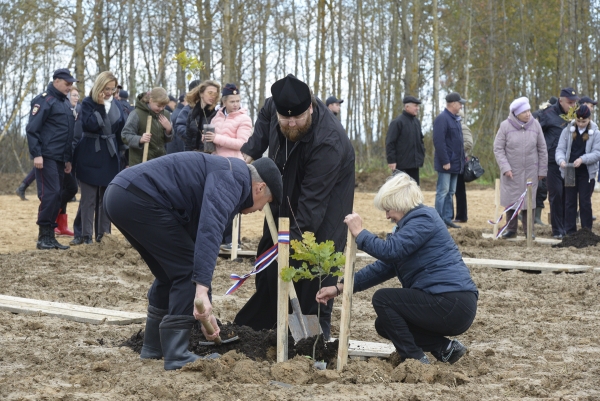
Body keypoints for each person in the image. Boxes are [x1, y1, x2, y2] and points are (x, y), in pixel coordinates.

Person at [104, 153, 283, 370]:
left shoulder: (230, 174)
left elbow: (196, 243)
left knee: (169, 271)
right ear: (260, 188)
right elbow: (209, 233)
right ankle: (177, 354)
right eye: (266, 204)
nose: (260, 209)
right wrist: (200, 292)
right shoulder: (232, 180)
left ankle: (153, 347)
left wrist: (205, 310)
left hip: (120, 195)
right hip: (138, 198)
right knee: (187, 270)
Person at [234, 74, 355, 340]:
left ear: (310, 107)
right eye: (285, 118)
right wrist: (250, 152)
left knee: (312, 272)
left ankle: (312, 339)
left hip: (324, 208)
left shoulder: (328, 142)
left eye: (297, 118)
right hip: (283, 192)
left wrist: (291, 244)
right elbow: (266, 117)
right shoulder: (273, 107)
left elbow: (312, 206)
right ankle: (265, 331)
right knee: (269, 261)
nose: (290, 123)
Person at [316, 172, 478, 364]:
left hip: (452, 302)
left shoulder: (424, 219)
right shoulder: (411, 227)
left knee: (383, 299)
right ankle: (445, 348)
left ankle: (415, 359)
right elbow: (382, 268)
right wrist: (339, 287)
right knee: (385, 325)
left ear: (400, 202)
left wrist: (360, 234)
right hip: (446, 302)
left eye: (388, 209)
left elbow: (389, 251)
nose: (387, 216)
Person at [26, 68, 77, 250]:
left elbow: (68, 133)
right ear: (56, 81)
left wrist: (68, 159)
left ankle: (50, 235)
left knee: (59, 195)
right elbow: (32, 129)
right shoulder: (44, 100)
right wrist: (37, 154)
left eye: (71, 84)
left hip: (60, 158)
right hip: (46, 156)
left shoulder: (64, 103)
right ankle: (44, 236)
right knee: (51, 193)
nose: (70, 87)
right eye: (67, 83)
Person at [72, 71, 125, 245]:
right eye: (106, 88)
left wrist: (122, 155)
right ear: (99, 86)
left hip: (109, 156)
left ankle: (104, 235)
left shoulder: (116, 105)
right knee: (88, 199)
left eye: (113, 88)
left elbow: (119, 131)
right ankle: (86, 236)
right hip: (90, 154)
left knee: (105, 199)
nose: (109, 92)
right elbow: (90, 125)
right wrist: (101, 106)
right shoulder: (88, 103)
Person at [493, 97, 548, 239]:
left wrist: (542, 170)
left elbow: (542, 148)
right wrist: (505, 168)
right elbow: (498, 148)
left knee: (529, 201)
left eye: (529, 110)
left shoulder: (536, 125)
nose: (528, 114)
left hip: (531, 171)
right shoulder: (505, 126)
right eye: (524, 112)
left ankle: (529, 230)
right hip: (512, 172)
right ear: (516, 113)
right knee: (512, 201)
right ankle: (511, 229)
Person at [208, 83, 253, 250]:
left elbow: (242, 143)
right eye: (232, 101)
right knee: (216, 202)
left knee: (232, 203)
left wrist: (216, 138)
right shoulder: (216, 118)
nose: (236, 104)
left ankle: (233, 240)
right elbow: (212, 140)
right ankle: (218, 238)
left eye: (238, 101)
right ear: (224, 101)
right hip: (216, 165)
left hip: (234, 166)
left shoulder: (244, 119)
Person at [538, 87, 579, 239]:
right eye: (570, 103)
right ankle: (557, 230)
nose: (573, 106)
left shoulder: (576, 115)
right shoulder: (547, 115)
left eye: (575, 103)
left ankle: (568, 229)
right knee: (556, 195)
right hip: (552, 163)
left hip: (570, 163)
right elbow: (537, 134)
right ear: (560, 100)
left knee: (568, 197)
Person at [555, 105, 600, 234]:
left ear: (589, 119)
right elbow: (560, 149)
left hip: (586, 172)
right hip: (570, 171)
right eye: (578, 121)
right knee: (569, 202)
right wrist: (561, 160)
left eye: (584, 121)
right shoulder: (567, 131)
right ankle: (569, 232)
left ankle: (586, 232)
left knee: (585, 202)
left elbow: (597, 153)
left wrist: (582, 159)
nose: (580, 124)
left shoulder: (596, 133)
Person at [433, 92, 466, 229]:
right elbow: (439, 142)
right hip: (446, 164)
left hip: (456, 164)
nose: (461, 106)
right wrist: (445, 161)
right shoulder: (442, 119)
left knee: (451, 192)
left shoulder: (455, 119)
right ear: (453, 104)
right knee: (443, 192)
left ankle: (447, 219)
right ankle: (438, 220)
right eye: (459, 103)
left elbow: (459, 143)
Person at [121, 88, 172, 166]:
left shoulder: (166, 114)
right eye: (159, 106)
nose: (161, 108)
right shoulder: (136, 114)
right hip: (140, 162)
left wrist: (169, 129)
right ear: (150, 100)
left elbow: (167, 140)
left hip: (160, 161)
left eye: (164, 106)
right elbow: (125, 135)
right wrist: (139, 139)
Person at [385, 95, 425, 184]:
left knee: (414, 190)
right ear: (407, 107)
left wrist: (421, 157)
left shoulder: (417, 123)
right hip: (401, 165)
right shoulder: (397, 122)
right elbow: (390, 142)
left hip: (414, 165)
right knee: (400, 191)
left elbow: (420, 141)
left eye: (418, 106)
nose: (417, 108)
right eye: (415, 106)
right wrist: (391, 160)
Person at [184, 80, 220, 152]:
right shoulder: (192, 113)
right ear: (201, 94)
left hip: (209, 156)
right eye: (210, 93)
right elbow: (188, 139)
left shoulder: (217, 114)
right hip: (192, 155)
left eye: (215, 94)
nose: (212, 96)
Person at [452, 109, 473, 223]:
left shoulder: (463, 127)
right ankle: (453, 215)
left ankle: (461, 216)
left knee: (459, 190)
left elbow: (469, 143)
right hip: (453, 162)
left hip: (459, 162)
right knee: (452, 190)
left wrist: (455, 151)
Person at [171, 80, 200, 154]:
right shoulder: (186, 111)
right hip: (190, 151)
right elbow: (180, 128)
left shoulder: (210, 109)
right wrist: (196, 138)